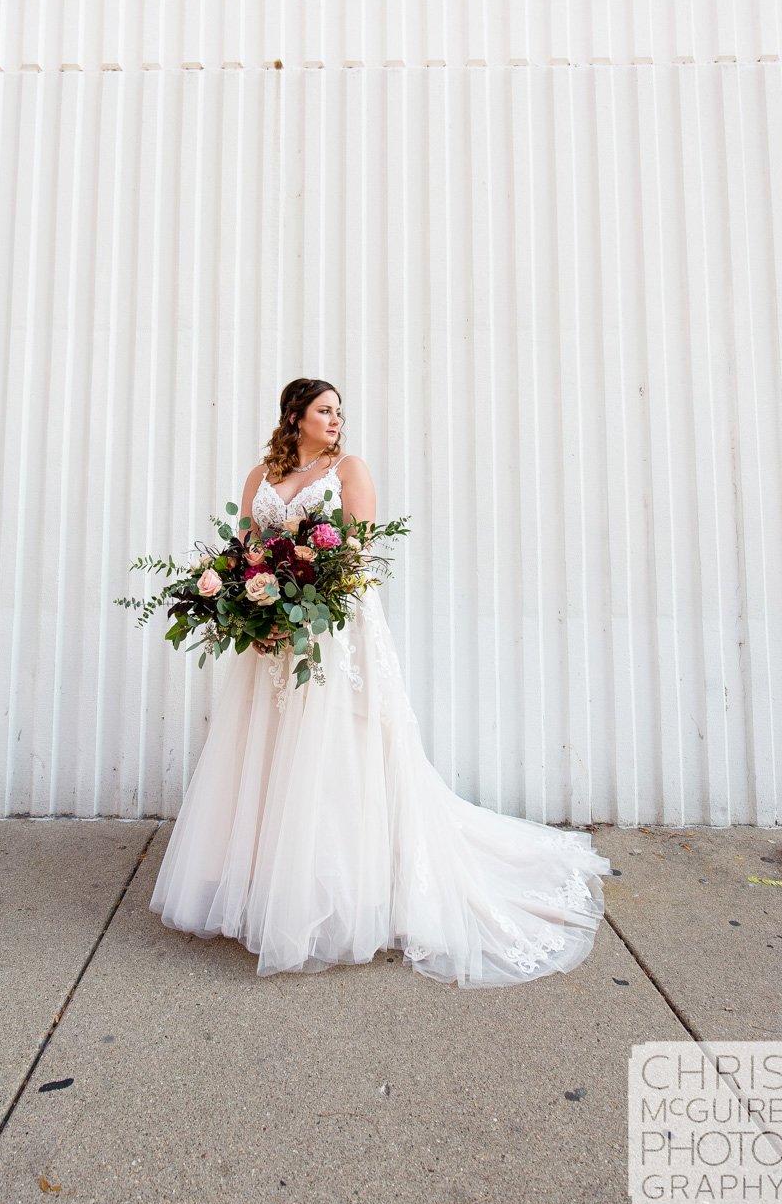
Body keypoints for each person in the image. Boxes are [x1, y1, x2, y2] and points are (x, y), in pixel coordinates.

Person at [149, 377, 613, 985]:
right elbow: (244, 550)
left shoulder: (349, 471)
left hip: (333, 631)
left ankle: (341, 883)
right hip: (272, 636)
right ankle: (270, 875)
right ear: (295, 417)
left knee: (336, 745)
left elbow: (360, 559)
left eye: (340, 411)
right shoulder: (260, 476)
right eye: (324, 410)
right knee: (266, 744)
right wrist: (248, 607)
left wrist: (306, 606)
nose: (336, 419)